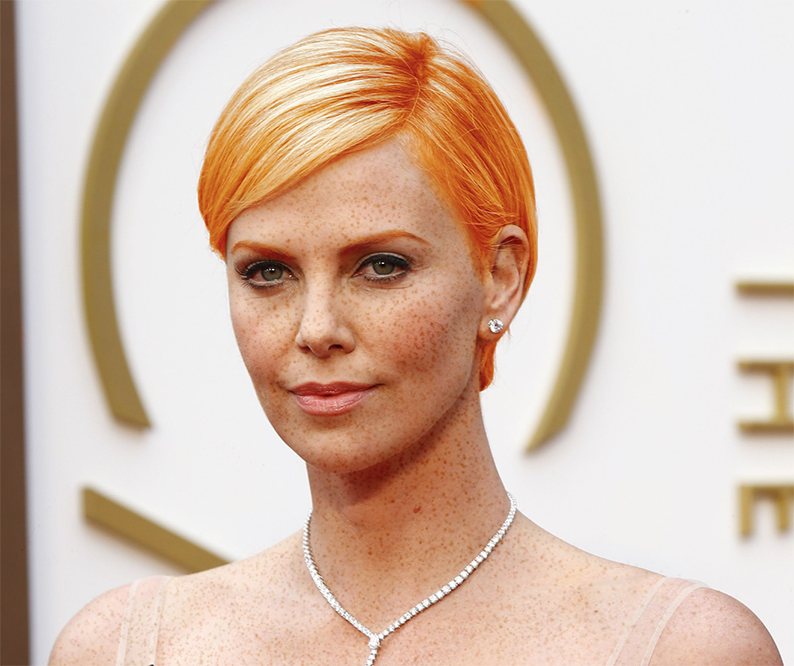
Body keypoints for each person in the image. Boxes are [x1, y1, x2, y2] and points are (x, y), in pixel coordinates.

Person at [50, 27, 782, 666]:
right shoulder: (124, 649)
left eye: (380, 266)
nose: (316, 328)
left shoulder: (678, 649)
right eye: (267, 272)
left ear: (500, 280)